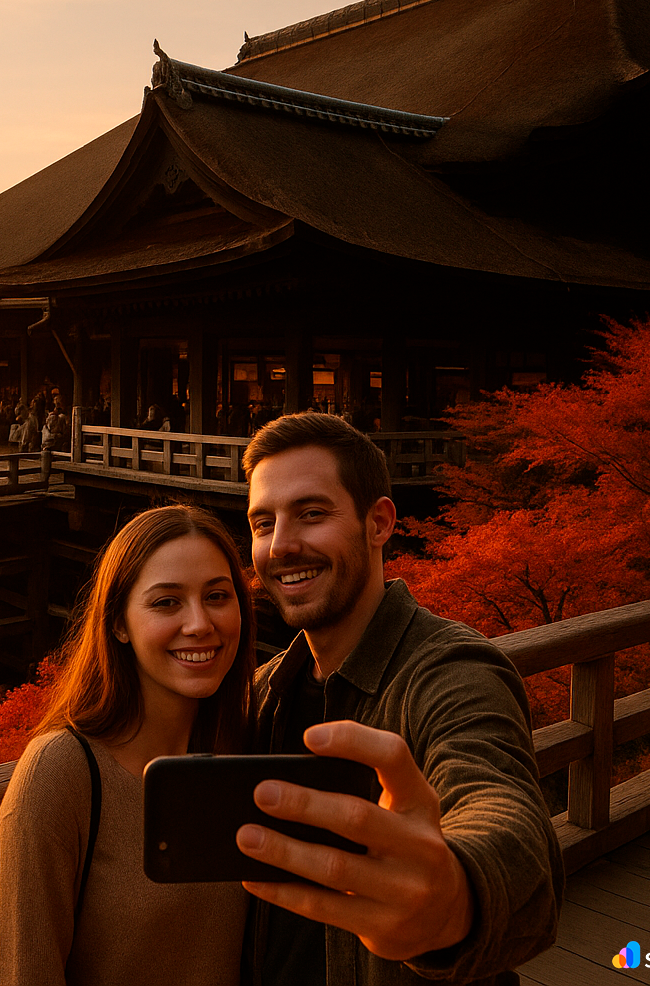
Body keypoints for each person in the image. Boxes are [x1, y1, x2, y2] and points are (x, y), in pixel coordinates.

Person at [237, 412, 562, 986]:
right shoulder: (267, 693)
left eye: (312, 514)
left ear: (379, 522)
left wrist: (457, 895)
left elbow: (497, 799)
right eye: (264, 523)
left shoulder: (450, 671)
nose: (281, 545)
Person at [0, 505, 255, 986]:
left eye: (217, 595)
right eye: (166, 603)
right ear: (118, 623)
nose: (199, 623)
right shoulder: (61, 775)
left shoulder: (243, 749)